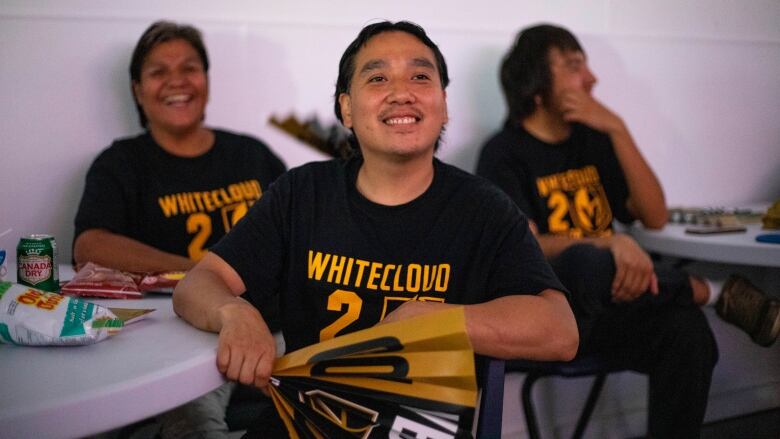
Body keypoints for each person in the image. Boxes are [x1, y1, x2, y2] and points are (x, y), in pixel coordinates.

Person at [172, 20, 579, 437]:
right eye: (378, 77)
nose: (402, 92)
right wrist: (233, 312)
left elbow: (559, 330)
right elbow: (199, 282)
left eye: (421, 77)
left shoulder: (484, 209)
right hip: (302, 422)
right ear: (346, 108)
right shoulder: (303, 192)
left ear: (442, 103)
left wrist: (429, 319)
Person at [477, 23, 780, 438]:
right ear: (536, 82)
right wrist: (613, 244)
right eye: (573, 66)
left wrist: (617, 128)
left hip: (619, 302)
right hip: (563, 316)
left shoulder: (593, 139)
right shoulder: (503, 153)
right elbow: (524, 245)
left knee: (687, 332)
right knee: (585, 259)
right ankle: (708, 289)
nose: (591, 78)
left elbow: (653, 216)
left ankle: (701, 295)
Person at [73, 21, 286, 438]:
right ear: (137, 90)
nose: (177, 81)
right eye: (158, 72)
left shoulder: (252, 154)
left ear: (205, 79)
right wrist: (206, 273)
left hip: (278, 326)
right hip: (190, 338)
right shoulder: (122, 163)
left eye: (189, 67)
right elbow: (90, 246)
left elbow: (304, 231)